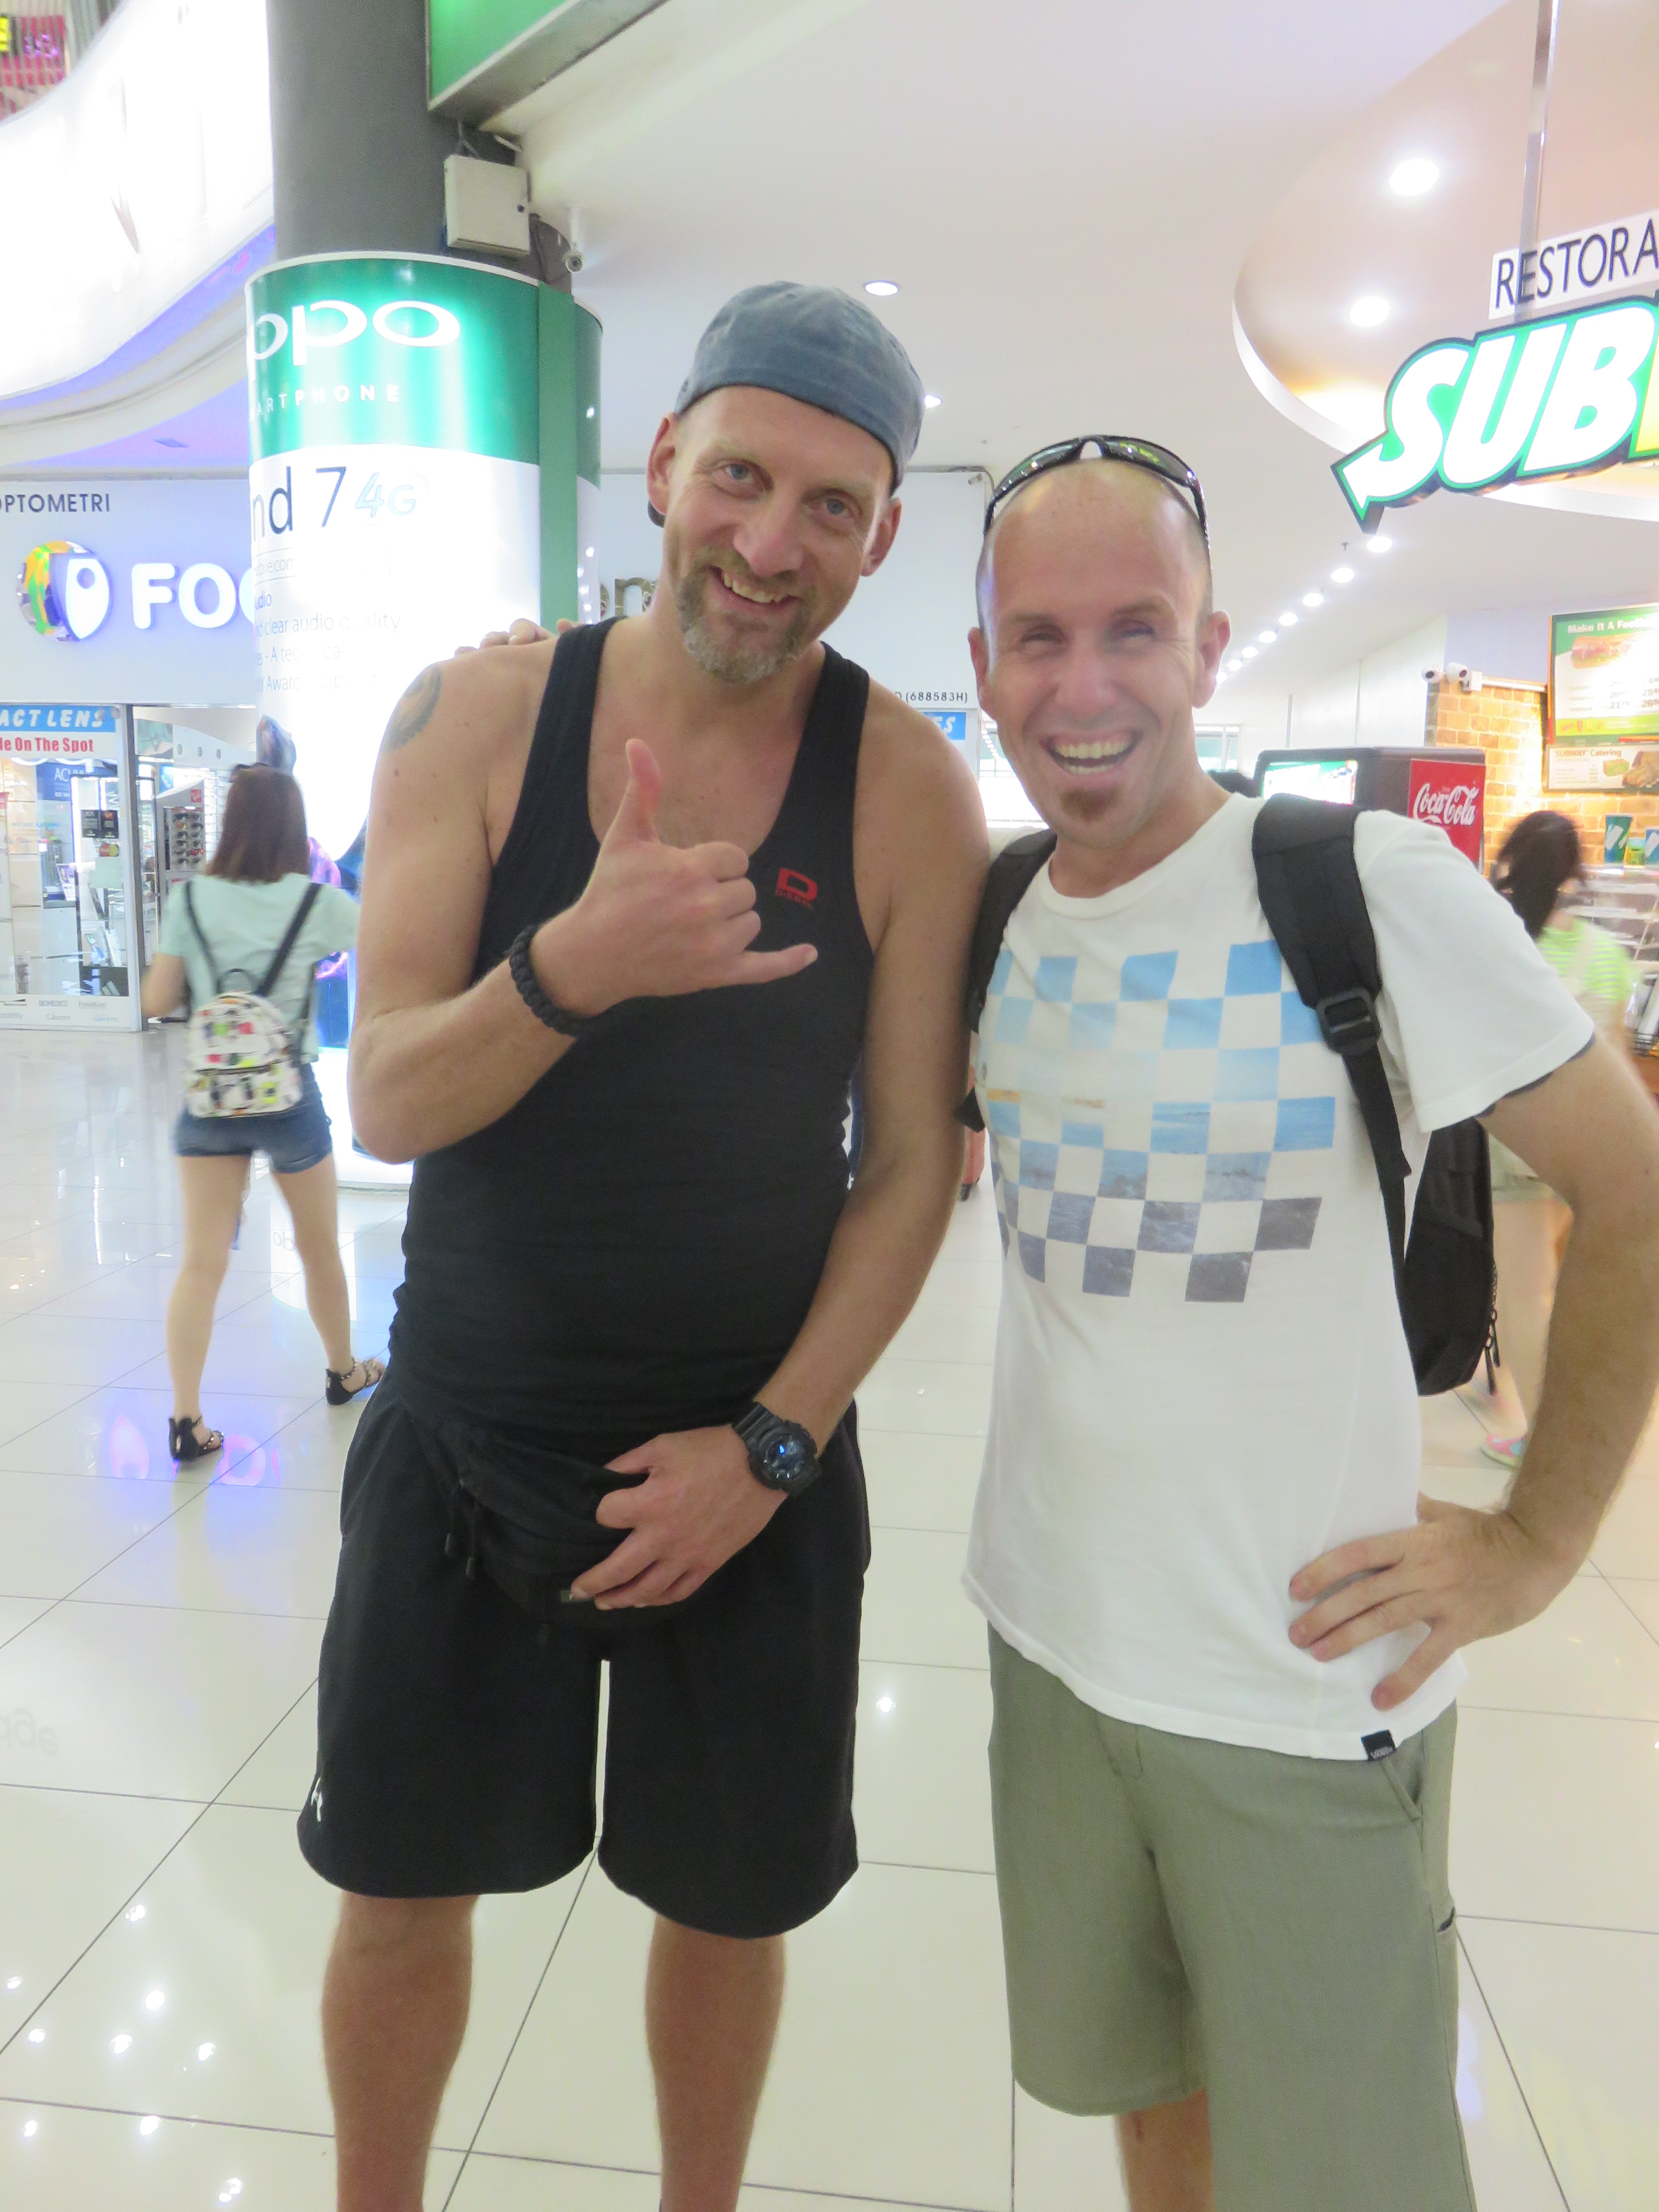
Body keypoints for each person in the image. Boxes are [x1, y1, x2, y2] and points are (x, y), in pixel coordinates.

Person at [304, 282, 986, 2212]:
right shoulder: (476, 718)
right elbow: (388, 1098)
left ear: (882, 536)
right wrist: (573, 968)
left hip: (747, 1464)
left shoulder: (907, 791)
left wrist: (773, 1444)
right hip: (462, 1439)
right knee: (398, 1893)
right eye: (741, 478)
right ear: (667, 461)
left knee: (726, 1908)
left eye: (831, 507)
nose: (771, 544)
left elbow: (913, 1163)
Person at [960, 440, 1659, 2212]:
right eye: (1039, 636)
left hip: (1299, 1686)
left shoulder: (1362, 882)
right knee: (1150, 2106)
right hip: (1049, 1644)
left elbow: (1634, 1188)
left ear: (1208, 648)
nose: (1084, 684)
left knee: (1347, 2172)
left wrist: (1535, 1541)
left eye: (1135, 628)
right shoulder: (998, 912)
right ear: (984, 666)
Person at [140, 766, 384, 1463]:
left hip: (210, 1098)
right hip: (288, 1097)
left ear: (230, 825)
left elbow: (157, 1000)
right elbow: (388, 943)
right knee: (318, 1247)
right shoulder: (316, 902)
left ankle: (186, 1419)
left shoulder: (190, 899)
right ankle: (342, 1371)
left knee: (202, 1262)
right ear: (293, 830)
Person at [1483, 809, 1638, 1468]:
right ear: (1575, 871)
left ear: (1513, 864)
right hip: (1592, 1146)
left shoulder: (1504, 944)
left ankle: (1547, 1446)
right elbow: (1618, 1057)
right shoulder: (1606, 954)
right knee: (1552, 1286)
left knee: (1524, 1293)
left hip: (1516, 1144)